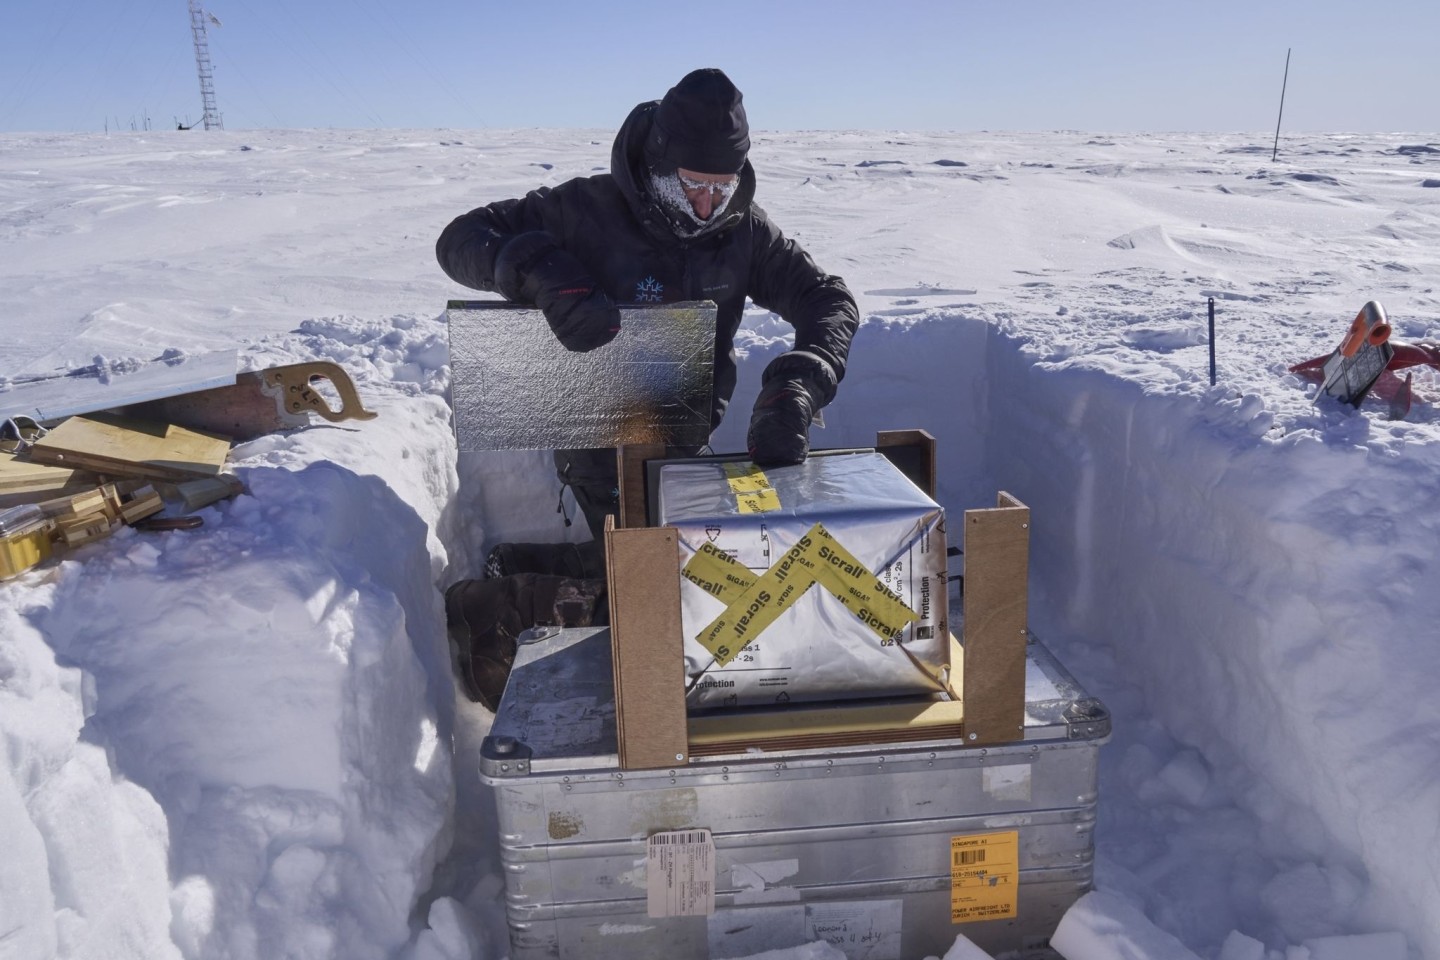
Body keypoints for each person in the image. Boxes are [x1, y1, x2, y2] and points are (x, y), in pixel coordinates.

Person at [436, 67, 860, 540]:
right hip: (593, 439)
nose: (706, 205)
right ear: (659, 162)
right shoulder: (583, 209)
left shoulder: (743, 230)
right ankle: (508, 591)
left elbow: (828, 299)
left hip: (684, 437)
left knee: (702, 566)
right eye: (692, 184)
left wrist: (801, 380)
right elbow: (460, 238)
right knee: (651, 576)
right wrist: (540, 271)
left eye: (721, 188)